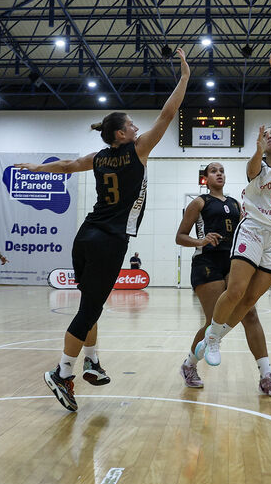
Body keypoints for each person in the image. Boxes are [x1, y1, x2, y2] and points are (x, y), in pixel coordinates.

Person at [16, 48, 190, 412]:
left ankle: (92, 360)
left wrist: (36, 167)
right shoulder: (137, 151)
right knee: (89, 310)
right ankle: (63, 372)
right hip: (109, 240)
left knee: (90, 305)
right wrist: (185, 77)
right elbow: (168, 113)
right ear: (122, 134)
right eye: (131, 124)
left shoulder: (98, 158)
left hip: (85, 235)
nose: (138, 127)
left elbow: (67, 164)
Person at [193, 69, 271, 394]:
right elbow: (250, 170)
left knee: (249, 301)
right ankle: (213, 339)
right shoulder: (258, 167)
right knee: (235, 291)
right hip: (253, 231)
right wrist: (257, 148)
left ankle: (216, 337)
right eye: (267, 135)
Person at [175, 161, 271, 394]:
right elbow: (180, 237)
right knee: (214, 321)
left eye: (222, 171)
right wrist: (200, 241)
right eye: (213, 171)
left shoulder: (235, 204)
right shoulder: (199, 202)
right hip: (207, 263)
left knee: (250, 313)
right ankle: (189, 365)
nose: (219, 174)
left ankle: (266, 375)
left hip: (234, 261)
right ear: (205, 178)